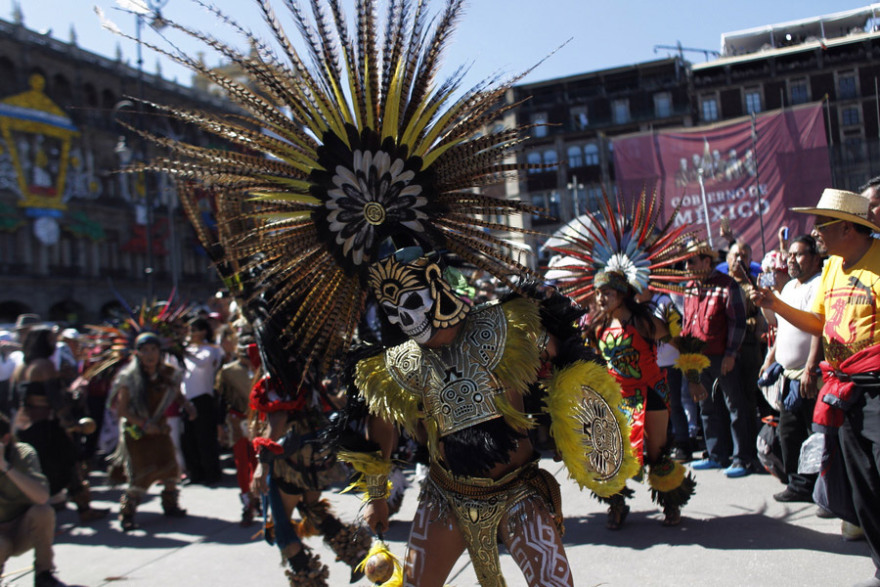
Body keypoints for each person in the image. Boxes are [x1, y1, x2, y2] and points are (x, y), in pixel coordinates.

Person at [752, 189, 880, 587]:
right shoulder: (832, 269)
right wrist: (775, 303)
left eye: (822, 223)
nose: (817, 232)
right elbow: (818, 323)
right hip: (845, 391)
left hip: (877, 387)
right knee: (864, 488)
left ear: (846, 227)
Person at [588, 270, 695, 528]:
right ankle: (616, 505)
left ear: (622, 295)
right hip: (618, 398)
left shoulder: (643, 321)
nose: (601, 298)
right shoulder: (598, 325)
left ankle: (671, 504)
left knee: (657, 452)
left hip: (651, 393)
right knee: (613, 453)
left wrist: (694, 376)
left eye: (607, 293)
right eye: (598, 292)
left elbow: (679, 343)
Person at [11, 326, 107, 524]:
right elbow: (55, 399)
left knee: (31, 469)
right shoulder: (45, 365)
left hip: (24, 426)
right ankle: (83, 509)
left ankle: (31, 512)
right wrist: (69, 423)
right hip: (46, 427)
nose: (54, 345)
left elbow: (13, 398)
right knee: (70, 464)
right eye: (51, 341)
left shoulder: (21, 366)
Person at [684, 241, 759, 478]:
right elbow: (687, 324)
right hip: (697, 359)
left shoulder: (727, 285)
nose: (686, 266)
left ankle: (742, 458)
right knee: (706, 407)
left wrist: (730, 354)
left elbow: (738, 323)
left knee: (735, 406)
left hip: (721, 357)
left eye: (691, 261)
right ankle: (716, 455)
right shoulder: (688, 288)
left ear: (707, 261)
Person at [758, 235, 823, 503]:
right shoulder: (788, 289)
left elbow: (818, 328)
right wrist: (770, 358)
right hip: (788, 375)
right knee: (789, 433)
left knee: (814, 435)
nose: (791, 260)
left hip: (809, 375)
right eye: (790, 255)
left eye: (798, 255)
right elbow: (778, 324)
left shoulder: (819, 283)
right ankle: (798, 485)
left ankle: (820, 488)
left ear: (815, 257)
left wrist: (810, 367)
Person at [112, 332, 196, 532]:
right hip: (136, 433)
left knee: (170, 468)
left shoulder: (168, 373)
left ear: (160, 351)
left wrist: (187, 405)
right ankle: (128, 513)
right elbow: (122, 410)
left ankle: (170, 504)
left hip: (160, 428)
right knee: (139, 474)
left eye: (154, 349)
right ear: (137, 353)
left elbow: (176, 393)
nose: (150, 354)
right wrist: (142, 423)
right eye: (145, 350)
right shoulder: (129, 377)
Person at [0, 413, 67, 587]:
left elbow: (42, 496)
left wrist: (5, 467)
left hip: (21, 529)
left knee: (43, 512)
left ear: (5, 439)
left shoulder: (22, 454)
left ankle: (44, 574)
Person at [215, 322, 259, 526]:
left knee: (260, 462)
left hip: (260, 421)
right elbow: (220, 399)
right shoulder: (227, 371)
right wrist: (220, 426)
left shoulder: (263, 368)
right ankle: (247, 502)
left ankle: (259, 498)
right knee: (242, 465)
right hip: (237, 420)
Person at [180, 317, 223, 486]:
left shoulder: (211, 350)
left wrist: (183, 350)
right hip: (186, 399)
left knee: (205, 438)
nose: (191, 334)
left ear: (203, 331)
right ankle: (195, 473)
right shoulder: (187, 350)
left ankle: (211, 473)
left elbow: (202, 363)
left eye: (194, 330)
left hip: (203, 399)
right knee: (188, 439)